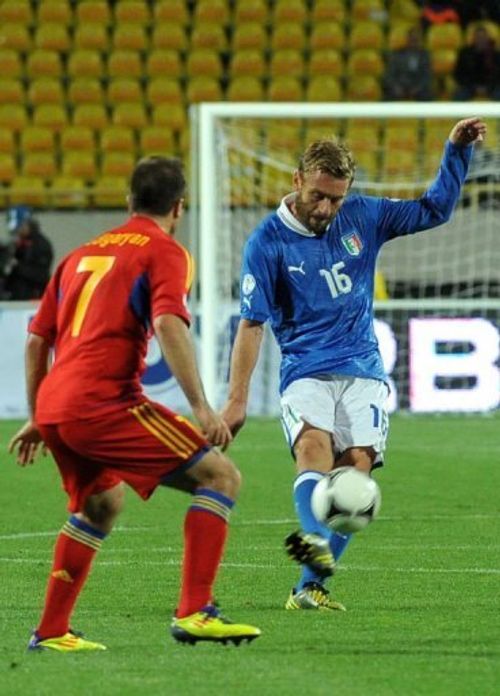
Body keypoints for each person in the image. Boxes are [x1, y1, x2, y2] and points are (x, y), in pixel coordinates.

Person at [221, 118, 486, 611]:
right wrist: (236, 399)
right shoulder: (267, 242)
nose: (326, 208)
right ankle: (314, 538)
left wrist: (455, 152)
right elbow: (251, 325)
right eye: (319, 195)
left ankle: (309, 587)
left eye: (336, 199)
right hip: (305, 369)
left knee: (357, 471)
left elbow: (434, 210)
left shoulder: (364, 215)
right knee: (314, 451)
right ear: (298, 180)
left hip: (363, 367)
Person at [9, 156, 261, 651]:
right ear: (179, 207)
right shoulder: (165, 251)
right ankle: (196, 612)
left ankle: (52, 631)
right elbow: (169, 323)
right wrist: (202, 407)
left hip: (58, 404)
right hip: (103, 402)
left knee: (101, 503)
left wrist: (40, 414)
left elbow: (38, 339)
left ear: (129, 202)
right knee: (220, 477)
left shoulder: (79, 254)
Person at [2, 211, 53, 300]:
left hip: (32, 298)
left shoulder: (41, 245)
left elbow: (41, 275)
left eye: (19, 228)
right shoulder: (18, 243)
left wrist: (17, 265)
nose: (17, 232)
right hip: (15, 297)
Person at [383, 26, 433, 101]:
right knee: (387, 95)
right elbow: (389, 74)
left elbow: (427, 75)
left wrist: (417, 89)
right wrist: (396, 87)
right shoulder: (397, 54)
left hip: (417, 87)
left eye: (416, 39)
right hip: (399, 85)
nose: (414, 41)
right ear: (407, 39)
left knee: (427, 94)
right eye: (412, 38)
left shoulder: (424, 55)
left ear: (420, 40)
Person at [453, 25, 500, 101]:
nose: (480, 40)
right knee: (459, 95)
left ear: (487, 38)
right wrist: (474, 87)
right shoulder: (464, 53)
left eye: (483, 37)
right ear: (473, 39)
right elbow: (458, 74)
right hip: (469, 86)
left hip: (492, 86)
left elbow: (497, 75)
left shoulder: (496, 54)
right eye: (478, 37)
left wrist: (488, 87)